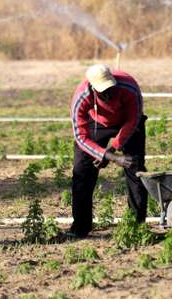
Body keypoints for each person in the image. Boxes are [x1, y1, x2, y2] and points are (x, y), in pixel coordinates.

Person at [69, 64, 148, 238]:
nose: (109, 94)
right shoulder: (81, 98)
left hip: (127, 123)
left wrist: (112, 148)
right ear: (92, 88)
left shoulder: (129, 88)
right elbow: (81, 137)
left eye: (111, 89)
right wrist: (105, 155)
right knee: (82, 172)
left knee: (136, 169)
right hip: (96, 123)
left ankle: (136, 225)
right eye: (103, 91)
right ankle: (81, 227)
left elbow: (133, 120)